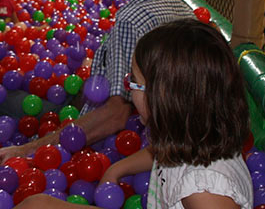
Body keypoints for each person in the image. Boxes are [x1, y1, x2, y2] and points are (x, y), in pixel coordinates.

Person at [0, 0, 195, 167]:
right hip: (107, 121)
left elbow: (116, 113)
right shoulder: (187, 15)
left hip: (100, 144)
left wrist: (27, 150)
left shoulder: (133, 20)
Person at [16, 19, 253, 209]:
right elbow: (164, 151)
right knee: (37, 203)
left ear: (164, 99)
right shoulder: (195, 132)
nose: (127, 86)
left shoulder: (203, 189)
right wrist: (115, 170)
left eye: (135, 83)